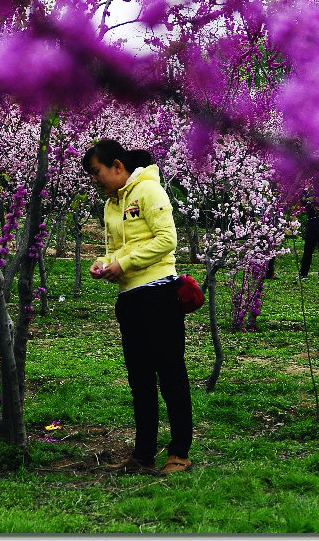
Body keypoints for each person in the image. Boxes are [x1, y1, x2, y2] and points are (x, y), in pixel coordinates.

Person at [83, 139, 193, 476]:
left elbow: (167, 240)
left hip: (159, 294)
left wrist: (125, 263)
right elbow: (115, 248)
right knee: (140, 380)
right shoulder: (111, 205)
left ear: (117, 166)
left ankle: (179, 453)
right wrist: (104, 263)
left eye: (97, 172)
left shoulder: (149, 191)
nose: (95, 180)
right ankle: (143, 454)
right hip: (130, 299)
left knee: (170, 374)